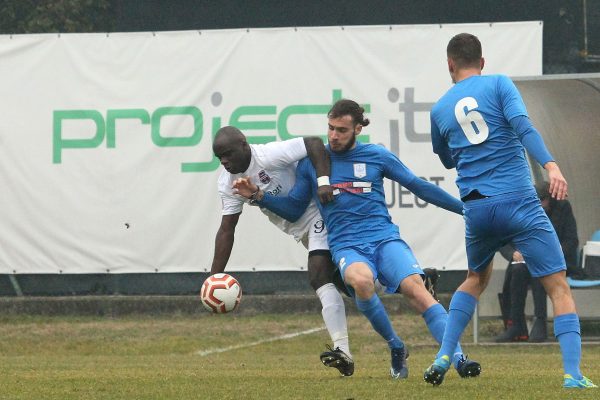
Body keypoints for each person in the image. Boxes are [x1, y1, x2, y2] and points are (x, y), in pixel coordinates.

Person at [232, 99, 481, 380]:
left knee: (417, 289)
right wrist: (259, 196)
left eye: (341, 130)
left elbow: (418, 186)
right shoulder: (313, 163)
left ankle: (458, 358)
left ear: (358, 129)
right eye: (330, 128)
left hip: (385, 239)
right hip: (347, 245)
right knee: (361, 282)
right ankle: (396, 345)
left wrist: (465, 209)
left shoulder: (377, 156)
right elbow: (293, 209)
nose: (333, 136)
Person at [424, 33, 596, 389]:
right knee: (558, 286)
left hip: (477, 208)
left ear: (450, 65)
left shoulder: (439, 109)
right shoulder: (499, 84)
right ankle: (573, 375)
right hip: (517, 200)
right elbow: (523, 127)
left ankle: (445, 353)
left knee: (475, 279)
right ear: (483, 63)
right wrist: (551, 166)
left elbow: (445, 157)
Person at [210, 126, 354, 376]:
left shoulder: (267, 155)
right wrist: (213, 277)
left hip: (318, 213)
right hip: (300, 229)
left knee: (318, 276)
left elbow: (313, 142)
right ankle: (411, 282)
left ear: (244, 145)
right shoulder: (228, 183)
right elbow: (227, 229)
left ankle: (343, 352)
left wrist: (322, 182)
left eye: (228, 154)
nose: (224, 161)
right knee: (350, 285)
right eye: (219, 157)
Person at [496, 181, 581, 343]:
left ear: (550, 198)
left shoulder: (563, 208)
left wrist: (551, 253)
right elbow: (503, 240)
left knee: (539, 269)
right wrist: (514, 253)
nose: (539, 205)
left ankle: (540, 320)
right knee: (518, 270)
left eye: (542, 200)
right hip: (526, 261)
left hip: (554, 261)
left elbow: (571, 241)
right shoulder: (522, 209)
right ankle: (516, 324)